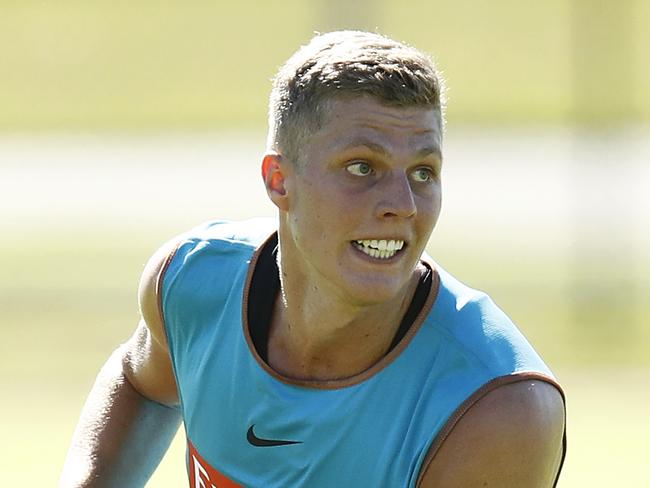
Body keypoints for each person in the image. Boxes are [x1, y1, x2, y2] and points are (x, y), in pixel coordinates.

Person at [61, 31, 566, 487]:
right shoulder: (194, 281)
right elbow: (140, 380)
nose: (403, 205)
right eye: (362, 167)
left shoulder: (496, 406)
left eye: (423, 172)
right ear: (279, 180)